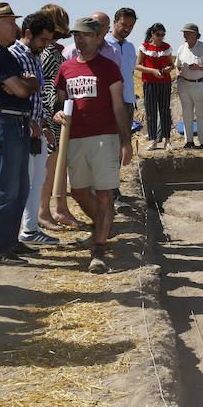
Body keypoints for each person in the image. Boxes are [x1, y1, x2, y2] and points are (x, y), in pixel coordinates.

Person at [53, 17, 132, 274]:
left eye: (86, 34)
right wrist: (57, 113)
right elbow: (60, 102)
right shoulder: (65, 68)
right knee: (78, 192)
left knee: (106, 195)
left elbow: (119, 106)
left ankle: (98, 250)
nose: (80, 39)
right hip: (75, 138)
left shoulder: (109, 68)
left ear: (98, 37)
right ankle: (103, 225)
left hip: (104, 138)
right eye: (76, 35)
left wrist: (126, 142)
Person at [0, 2, 41, 265]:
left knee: (20, 187)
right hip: (6, 122)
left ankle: (9, 242)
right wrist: (26, 83)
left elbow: (28, 84)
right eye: (10, 22)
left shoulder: (2, 52)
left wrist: (27, 82)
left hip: (17, 122)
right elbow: (24, 89)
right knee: (8, 187)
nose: (16, 26)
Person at [9, 12, 59, 246]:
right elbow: (12, 94)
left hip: (37, 129)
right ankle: (8, 237)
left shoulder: (34, 56)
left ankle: (30, 230)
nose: (46, 45)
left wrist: (44, 124)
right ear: (28, 33)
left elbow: (36, 96)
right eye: (43, 40)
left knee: (36, 180)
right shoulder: (13, 56)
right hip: (20, 129)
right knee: (19, 183)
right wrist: (30, 121)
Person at [37, 3, 84, 230]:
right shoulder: (48, 51)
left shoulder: (53, 48)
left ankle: (60, 209)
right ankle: (44, 213)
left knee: (60, 164)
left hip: (57, 112)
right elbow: (47, 85)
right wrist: (51, 113)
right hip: (52, 114)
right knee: (51, 165)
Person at [175, 23, 203, 149]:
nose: (184, 35)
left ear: (195, 34)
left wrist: (199, 68)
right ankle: (189, 141)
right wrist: (178, 75)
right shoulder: (182, 48)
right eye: (184, 33)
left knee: (202, 114)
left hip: (200, 84)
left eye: (187, 33)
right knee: (186, 114)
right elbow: (177, 65)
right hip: (184, 84)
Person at [136, 23, 174, 150]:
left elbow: (172, 65)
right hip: (150, 83)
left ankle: (167, 140)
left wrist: (168, 69)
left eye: (163, 35)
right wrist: (152, 71)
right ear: (152, 34)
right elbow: (138, 65)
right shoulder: (145, 47)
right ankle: (153, 140)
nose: (161, 37)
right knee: (151, 111)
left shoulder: (167, 47)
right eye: (158, 34)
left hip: (165, 82)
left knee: (165, 111)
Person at [105, 8, 139, 128]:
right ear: (114, 22)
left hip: (128, 101)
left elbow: (131, 72)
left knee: (126, 138)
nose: (127, 29)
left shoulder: (130, 47)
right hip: (109, 102)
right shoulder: (103, 45)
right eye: (124, 24)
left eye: (131, 26)